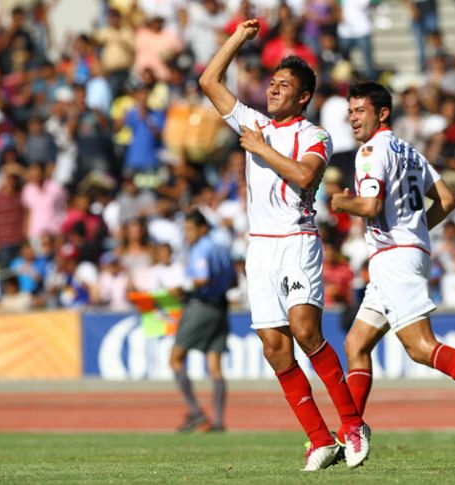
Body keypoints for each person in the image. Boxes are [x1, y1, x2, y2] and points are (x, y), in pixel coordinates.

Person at [199, 19, 369, 471]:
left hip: (296, 240)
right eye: (272, 83)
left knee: (307, 331)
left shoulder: (315, 136)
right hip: (260, 248)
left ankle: (352, 424)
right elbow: (207, 81)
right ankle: (319, 439)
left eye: (284, 85)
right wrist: (238, 37)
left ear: (303, 97)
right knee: (274, 347)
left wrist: (258, 146)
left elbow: (303, 175)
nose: (273, 90)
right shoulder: (252, 119)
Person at [331, 81, 455, 445]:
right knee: (356, 344)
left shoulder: (371, 151)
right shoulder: (408, 150)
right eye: (350, 111)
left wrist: (342, 203)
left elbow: (371, 206)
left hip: (394, 258)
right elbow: (448, 200)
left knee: (420, 347)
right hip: (403, 252)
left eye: (360, 111)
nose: (352, 118)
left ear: (382, 113)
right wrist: (414, 230)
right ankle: (351, 431)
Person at [169, 209, 235, 433]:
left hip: (201, 306)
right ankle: (218, 421)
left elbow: (201, 278)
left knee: (176, 359)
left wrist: (182, 288)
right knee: (215, 366)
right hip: (221, 307)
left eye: (189, 229)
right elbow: (233, 280)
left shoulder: (201, 248)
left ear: (202, 228)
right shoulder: (223, 248)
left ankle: (195, 412)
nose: (187, 234)